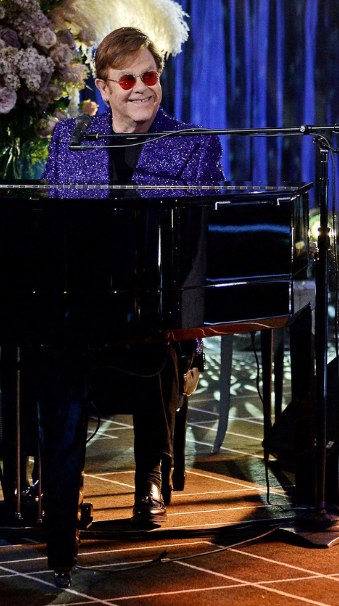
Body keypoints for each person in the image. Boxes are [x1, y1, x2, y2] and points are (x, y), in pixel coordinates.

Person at [44, 27, 225, 521]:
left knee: (156, 335)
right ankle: (58, 480)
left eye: (150, 75)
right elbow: (49, 219)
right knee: (41, 341)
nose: (141, 87)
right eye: (127, 80)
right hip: (84, 299)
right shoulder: (69, 138)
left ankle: (149, 475)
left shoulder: (193, 145)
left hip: (163, 302)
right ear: (102, 89)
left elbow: (208, 235)